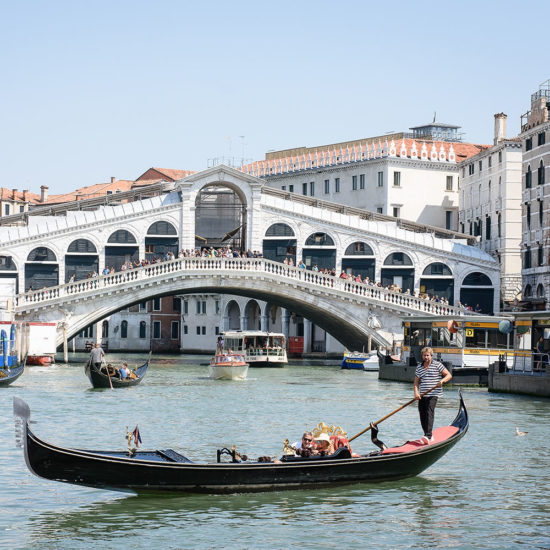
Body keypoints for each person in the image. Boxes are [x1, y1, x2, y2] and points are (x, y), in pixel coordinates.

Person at [414, 347, 452, 444]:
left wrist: (442, 381)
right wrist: (416, 393)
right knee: (422, 413)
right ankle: (426, 435)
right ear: (422, 356)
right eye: (424, 355)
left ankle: (429, 436)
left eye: (428, 355)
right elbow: (416, 382)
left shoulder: (437, 365)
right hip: (423, 394)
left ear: (431, 356)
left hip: (434, 394)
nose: (426, 357)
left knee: (429, 412)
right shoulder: (419, 367)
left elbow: (449, 375)